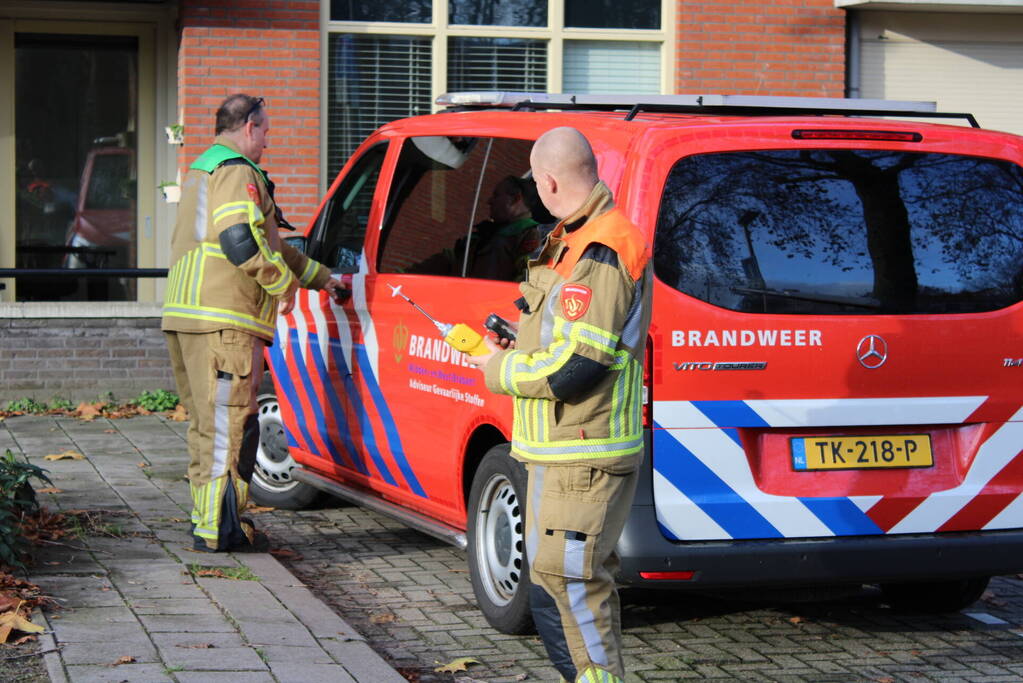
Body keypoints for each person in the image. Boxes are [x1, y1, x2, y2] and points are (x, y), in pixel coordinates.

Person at [466, 127, 652, 683]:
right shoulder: (574, 239)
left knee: (572, 583)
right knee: (557, 580)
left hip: (584, 448)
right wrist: (515, 342)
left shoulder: (602, 247)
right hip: (559, 448)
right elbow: (561, 340)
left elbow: (579, 366)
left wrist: (500, 370)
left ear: (546, 182)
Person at [161, 94, 346, 552]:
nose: (267, 140)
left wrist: (324, 280)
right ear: (248, 127)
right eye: (265, 131)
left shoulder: (202, 171)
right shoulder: (238, 171)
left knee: (207, 424)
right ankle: (221, 530)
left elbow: (273, 246)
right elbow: (241, 243)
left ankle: (206, 520)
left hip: (187, 316)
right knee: (229, 426)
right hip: (226, 320)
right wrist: (282, 286)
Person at [462, 175, 540, 281]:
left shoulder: (531, 234)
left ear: (516, 199)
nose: (489, 201)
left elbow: (526, 281)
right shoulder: (486, 233)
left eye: (496, 195)